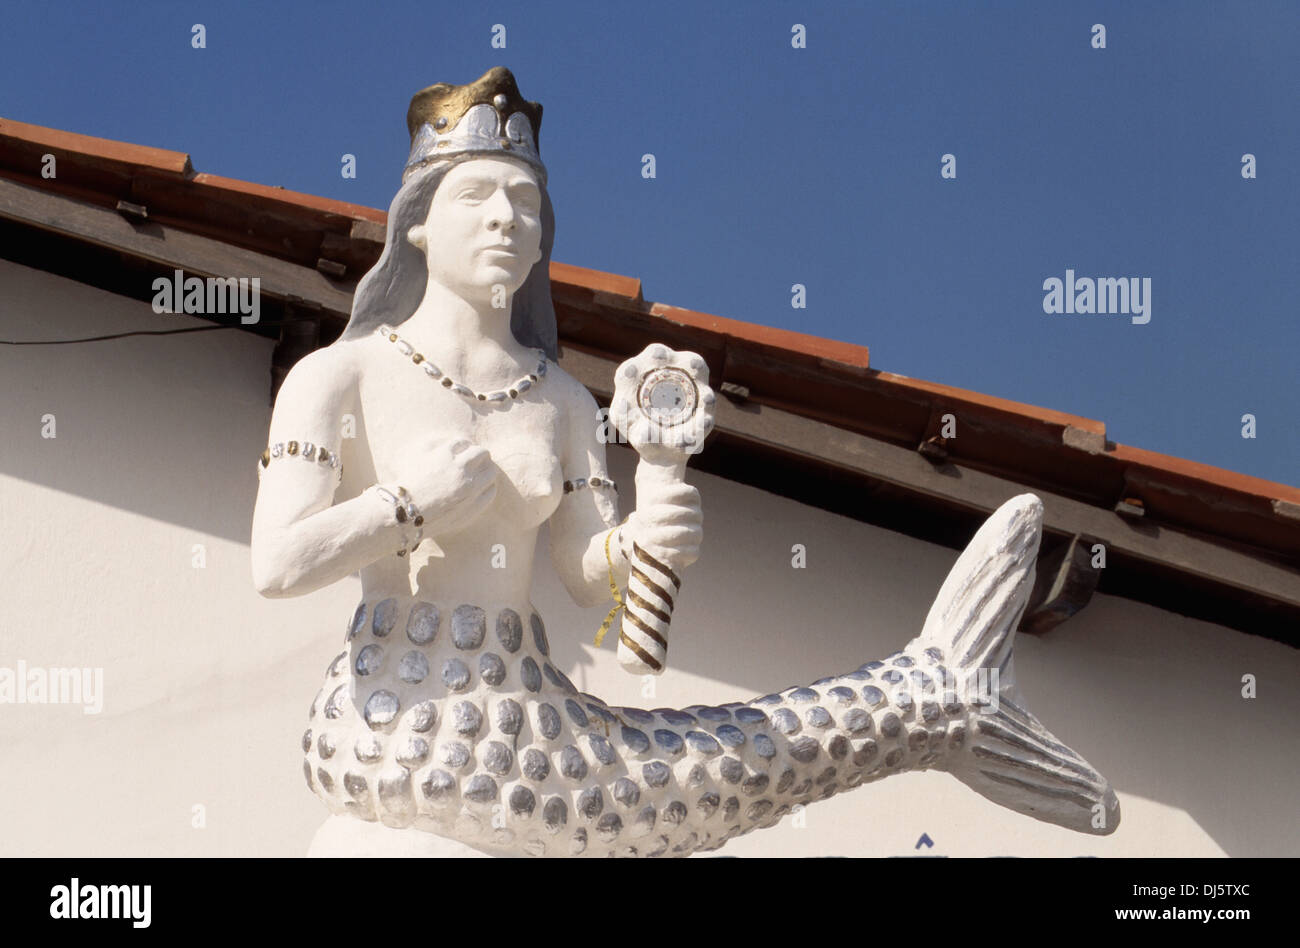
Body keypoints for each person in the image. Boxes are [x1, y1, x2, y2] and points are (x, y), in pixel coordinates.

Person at [251, 68, 1119, 858]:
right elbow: (278, 562)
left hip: (536, 738)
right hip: (394, 727)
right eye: (476, 194)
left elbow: (590, 584)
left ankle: (931, 700)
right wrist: (408, 504)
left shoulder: (560, 402)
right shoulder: (340, 376)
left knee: (689, 774)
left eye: (524, 202)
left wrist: (640, 544)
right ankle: (926, 699)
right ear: (417, 227)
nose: (505, 219)